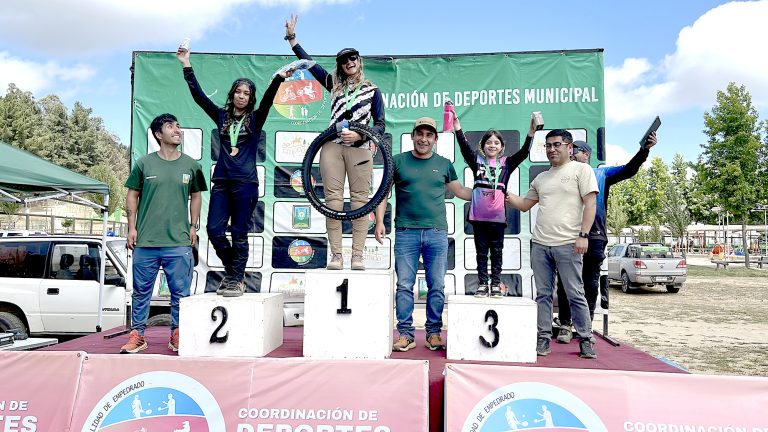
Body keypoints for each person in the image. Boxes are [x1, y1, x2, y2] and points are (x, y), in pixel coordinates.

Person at [177, 47, 292, 295]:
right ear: (232, 94)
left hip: (246, 184)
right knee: (215, 231)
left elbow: (269, 99)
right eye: (238, 92)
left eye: (246, 93)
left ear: (251, 98)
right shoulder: (221, 116)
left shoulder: (255, 118)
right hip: (222, 182)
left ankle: (235, 280)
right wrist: (186, 64)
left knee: (240, 233)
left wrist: (278, 80)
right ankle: (235, 273)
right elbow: (199, 97)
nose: (241, 96)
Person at [285, 14, 385, 271]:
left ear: (358, 61)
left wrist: (362, 135)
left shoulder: (372, 90)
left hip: (360, 148)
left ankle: (358, 256)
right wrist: (293, 40)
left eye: (352, 58)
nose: (348, 62)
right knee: (333, 201)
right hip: (332, 146)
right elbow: (309, 64)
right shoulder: (333, 85)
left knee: (361, 201)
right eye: (343, 60)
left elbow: (381, 124)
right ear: (339, 66)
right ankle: (337, 255)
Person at [375, 117, 472, 352]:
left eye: (429, 135)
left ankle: (434, 333)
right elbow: (384, 194)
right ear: (412, 136)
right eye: (420, 134)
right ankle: (406, 334)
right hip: (406, 231)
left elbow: (460, 191)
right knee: (405, 286)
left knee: (437, 285)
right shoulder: (397, 161)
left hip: (436, 232)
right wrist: (379, 221)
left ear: (435, 140)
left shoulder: (445, 163)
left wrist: (489, 191)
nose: (424, 139)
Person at [554, 133, 657, 343]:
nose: (572, 155)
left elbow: (629, 169)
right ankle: (564, 324)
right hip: (568, 235)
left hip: (595, 236)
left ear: (587, 155)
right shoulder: (561, 175)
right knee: (565, 281)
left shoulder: (601, 174)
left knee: (590, 281)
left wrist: (644, 150)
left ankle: (586, 324)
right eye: (570, 152)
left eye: (576, 152)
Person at [506, 129, 598, 359]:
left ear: (569, 148)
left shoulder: (582, 170)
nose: (551, 149)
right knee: (543, 295)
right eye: (548, 145)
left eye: (557, 144)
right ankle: (543, 339)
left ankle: (586, 339)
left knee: (575, 293)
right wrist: (503, 193)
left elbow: (590, 204)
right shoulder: (541, 178)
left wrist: (583, 235)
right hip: (540, 244)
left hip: (569, 243)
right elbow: (525, 204)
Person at [122, 113, 207, 354]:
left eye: (178, 126)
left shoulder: (191, 165)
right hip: (146, 242)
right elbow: (132, 194)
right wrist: (131, 227)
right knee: (141, 292)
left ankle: (177, 333)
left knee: (180, 294)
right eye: (170, 126)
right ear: (159, 134)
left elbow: (197, 195)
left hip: (178, 242)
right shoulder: (144, 164)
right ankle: (137, 334)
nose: (177, 130)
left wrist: (193, 226)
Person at [455, 113, 540, 297]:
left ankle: (495, 283)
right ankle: (482, 284)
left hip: (497, 218)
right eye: (489, 142)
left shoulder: (507, 163)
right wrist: (457, 127)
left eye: (496, 143)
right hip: (478, 217)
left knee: (497, 252)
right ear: (483, 146)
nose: (492, 145)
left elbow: (524, 153)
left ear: (501, 147)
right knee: (481, 252)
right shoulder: (476, 161)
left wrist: (531, 134)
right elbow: (463, 147)